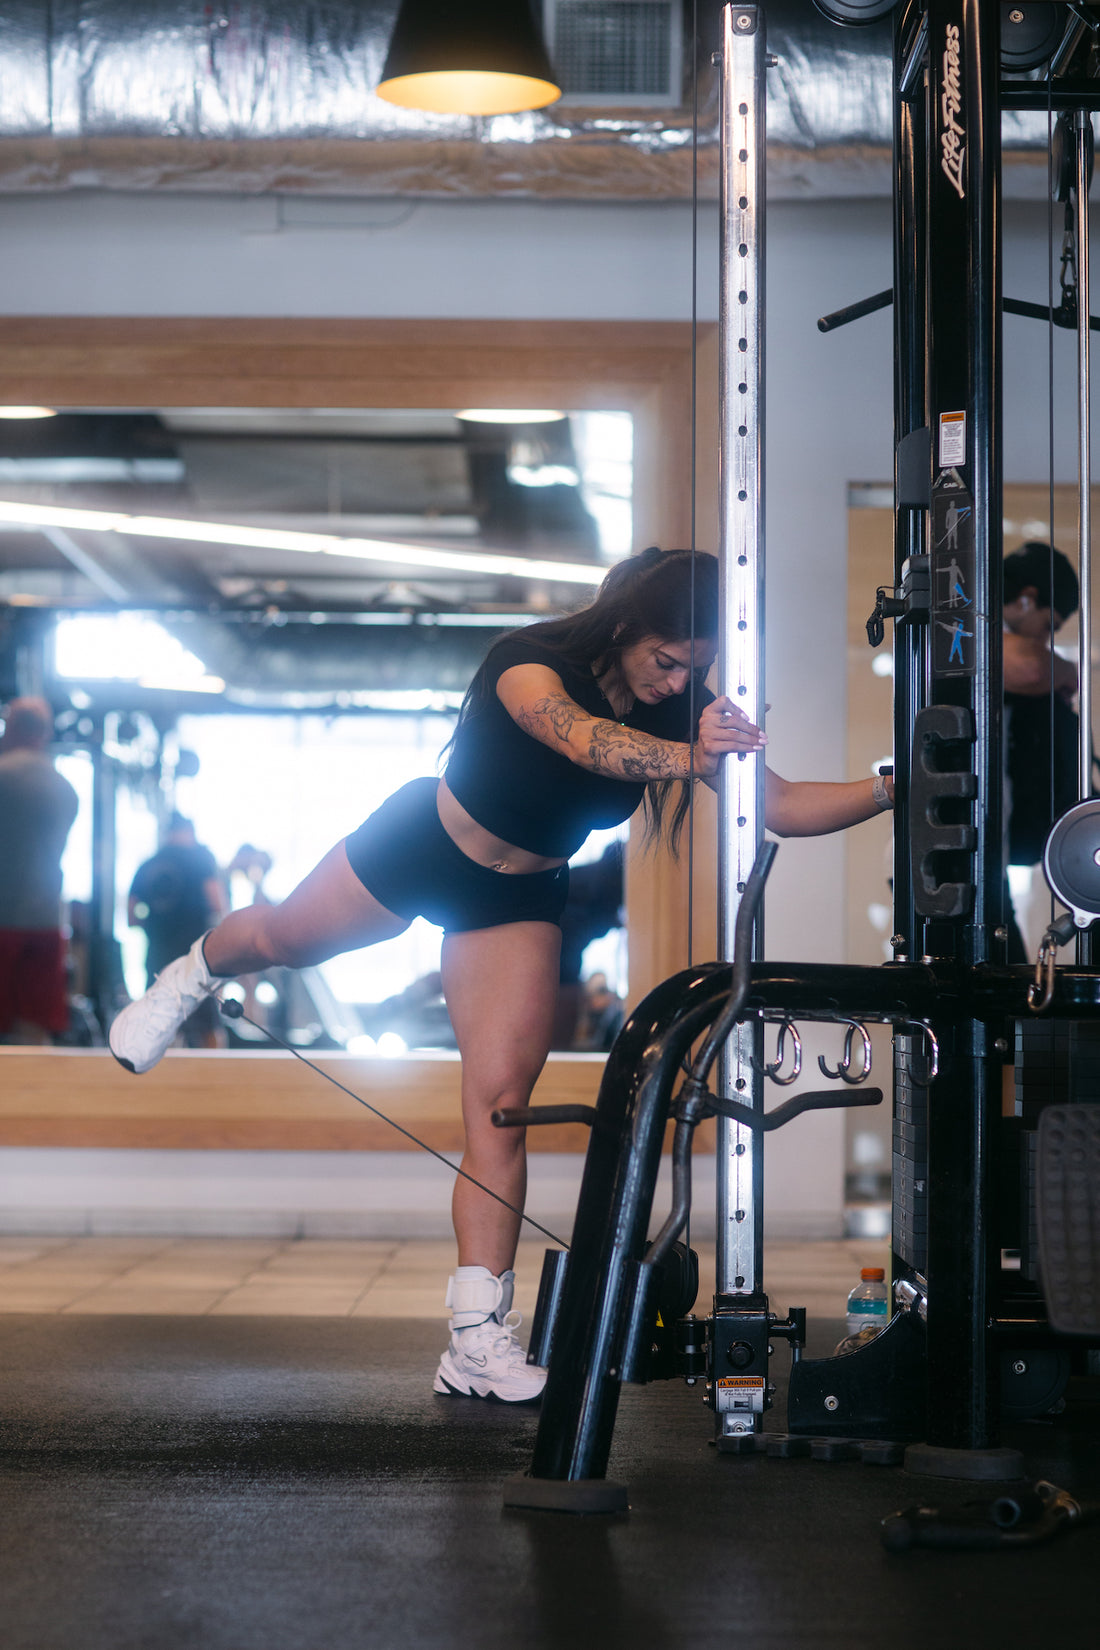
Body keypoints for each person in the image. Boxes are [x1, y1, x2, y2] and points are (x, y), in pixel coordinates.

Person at [108, 548, 894, 1403]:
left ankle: (474, 1341)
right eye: (667, 661)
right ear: (628, 626)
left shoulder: (683, 711)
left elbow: (779, 805)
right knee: (285, 939)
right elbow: (582, 739)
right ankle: (189, 974)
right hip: (422, 846)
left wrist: (896, 785)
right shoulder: (529, 663)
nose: (677, 683)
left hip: (517, 899)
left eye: (694, 669)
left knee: (499, 1109)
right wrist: (691, 756)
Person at [1003, 543, 1082, 960]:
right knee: (1000, 990)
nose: (1045, 639)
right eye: (1048, 625)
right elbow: (1031, 666)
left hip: (983, 856)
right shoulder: (961, 630)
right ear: (1027, 598)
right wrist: (1068, 672)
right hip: (940, 860)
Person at [0, 698, 79, 1044]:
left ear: (11, 728)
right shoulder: (66, 789)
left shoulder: (3, 776)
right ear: (44, 734)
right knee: (33, 1030)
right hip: (46, 920)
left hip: (2, 920)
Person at [127, 814, 228, 1047]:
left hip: (157, 959)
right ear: (189, 831)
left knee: (159, 1026)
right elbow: (217, 904)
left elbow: (131, 917)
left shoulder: (148, 864)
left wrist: (154, 928)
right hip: (197, 959)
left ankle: (163, 1081)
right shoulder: (201, 859)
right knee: (208, 1026)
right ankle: (219, 1078)